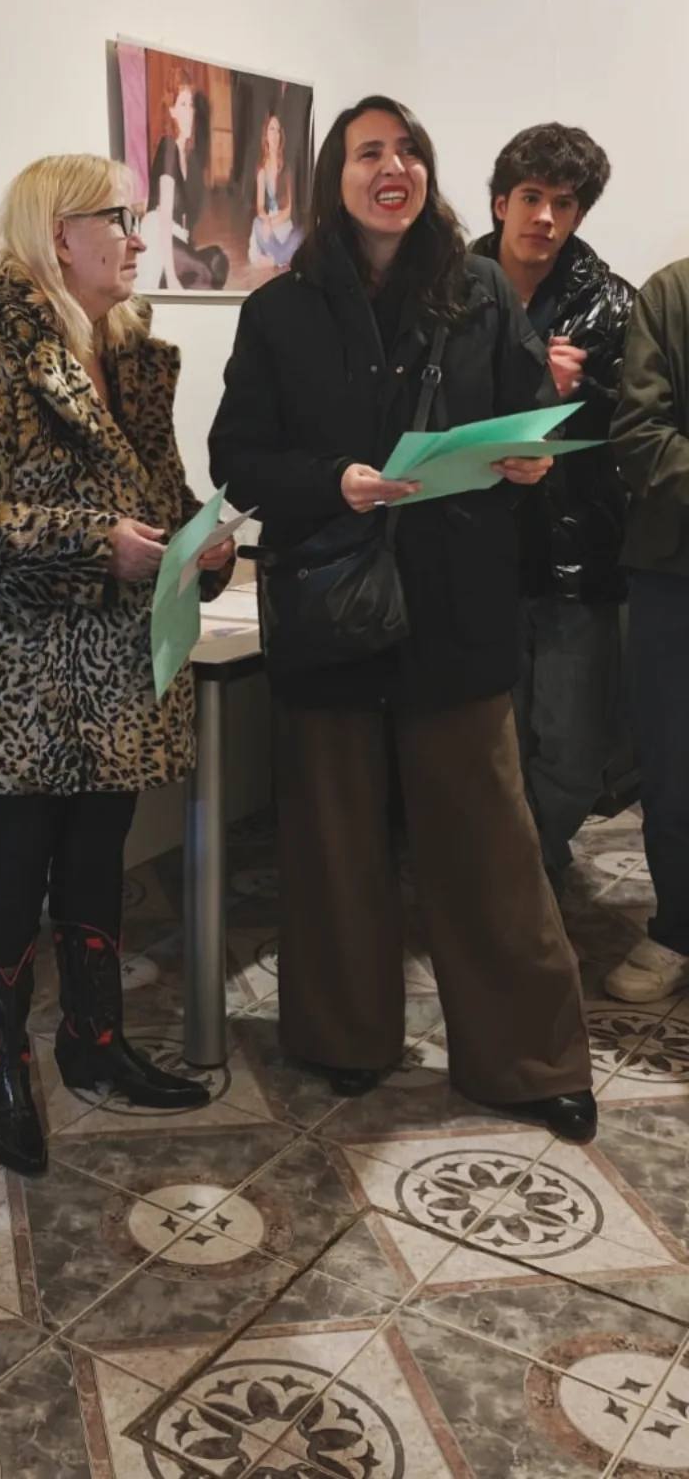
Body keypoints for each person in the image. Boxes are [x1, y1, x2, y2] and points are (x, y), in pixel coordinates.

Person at [209, 95, 594, 1142]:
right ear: (334, 178)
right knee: (335, 839)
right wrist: (333, 481)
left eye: (410, 149)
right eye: (370, 151)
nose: (395, 166)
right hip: (330, 603)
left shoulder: (478, 291)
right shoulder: (280, 312)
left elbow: (528, 424)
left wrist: (528, 462)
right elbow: (238, 459)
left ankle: (528, 1057)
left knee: (489, 844)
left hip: (456, 607)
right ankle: (345, 1035)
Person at [0, 154, 236, 1175]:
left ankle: (94, 1043)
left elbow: (160, 490)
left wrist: (201, 542)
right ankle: (1, 1071)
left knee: (98, 857)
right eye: (119, 218)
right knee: (10, 870)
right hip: (14, 678)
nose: (139, 237)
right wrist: (95, 546)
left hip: (112, 672)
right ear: (59, 235)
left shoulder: (125, 351)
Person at [470, 124, 632, 891]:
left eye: (562, 203)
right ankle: (514, 877)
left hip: (576, 553)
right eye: (530, 197)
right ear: (501, 202)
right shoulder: (448, 291)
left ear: (579, 214)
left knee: (571, 744)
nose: (544, 217)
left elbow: (637, 428)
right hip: (475, 547)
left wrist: (581, 391)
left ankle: (528, 865)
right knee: (486, 737)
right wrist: (533, 383)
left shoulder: (613, 305)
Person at [608, 254, 689, 1002]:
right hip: (676, 573)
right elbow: (640, 435)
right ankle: (676, 930)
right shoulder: (672, 293)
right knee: (674, 765)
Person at [148, 71, 227, 291]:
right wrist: (172, 275)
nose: (189, 112)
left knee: (219, 260)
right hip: (159, 240)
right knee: (205, 273)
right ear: (172, 111)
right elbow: (164, 219)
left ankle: (180, 283)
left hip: (178, 239)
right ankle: (167, 282)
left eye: (191, 105)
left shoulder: (189, 157)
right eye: (182, 105)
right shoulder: (168, 147)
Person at [247, 111, 303, 271]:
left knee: (301, 234)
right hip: (268, 225)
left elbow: (289, 210)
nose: (275, 134)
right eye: (271, 129)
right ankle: (284, 257)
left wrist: (271, 224)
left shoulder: (287, 169)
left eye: (278, 130)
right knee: (257, 224)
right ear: (265, 135)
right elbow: (260, 207)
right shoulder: (261, 169)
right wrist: (266, 222)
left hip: (282, 222)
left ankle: (274, 260)